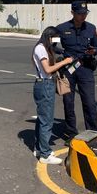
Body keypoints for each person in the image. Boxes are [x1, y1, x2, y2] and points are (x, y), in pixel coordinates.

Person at [56, 1, 97, 140]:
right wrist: (63, 53)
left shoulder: (91, 28)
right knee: (68, 102)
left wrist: (94, 51)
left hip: (86, 68)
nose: (83, 16)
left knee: (89, 101)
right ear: (72, 13)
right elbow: (51, 45)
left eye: (85, 13)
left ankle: (93, 132)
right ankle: (70, 133)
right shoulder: (62, 28)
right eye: (80, 13)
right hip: (68, 69)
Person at [32, 26, 74, 164]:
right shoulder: (41, 48)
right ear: (49, 37)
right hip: (45, 85)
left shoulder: (42, 48)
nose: (55, 42)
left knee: (42, 119)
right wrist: (64, 62)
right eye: (55, 38)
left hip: (43, 84)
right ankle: (45, 154)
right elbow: (48, 69)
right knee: (47, 120)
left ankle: (39, 148)